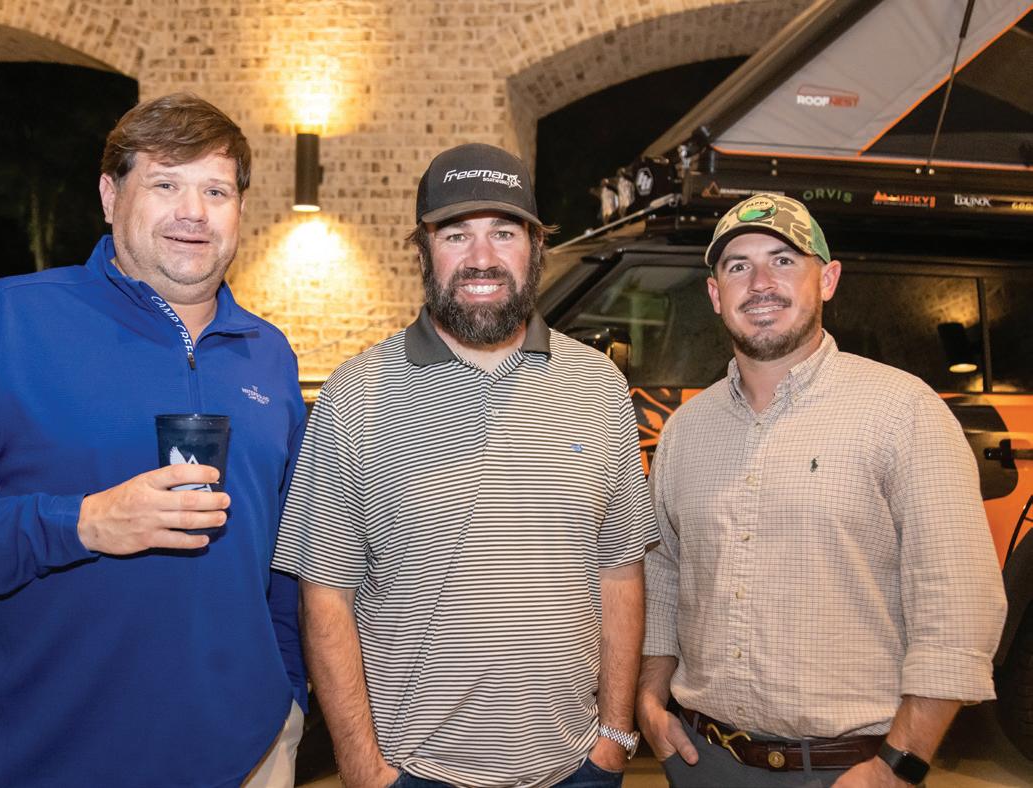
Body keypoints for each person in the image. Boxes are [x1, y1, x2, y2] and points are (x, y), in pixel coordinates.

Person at [0, 93, 308, 787]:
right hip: (57, 758)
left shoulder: (267, 354)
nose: (194, 211)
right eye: (165, 184)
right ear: (109, 195)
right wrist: (83, 523)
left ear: (240, 208)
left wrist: (289, 695)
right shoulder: (6, 322)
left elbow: (286, 549)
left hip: (249, 753)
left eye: (215, 190)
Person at [272, 143, 658, 787]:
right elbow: (325, 596)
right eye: (456, 235)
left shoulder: (598, 386)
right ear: (422, 252)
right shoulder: (355, 394)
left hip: (575, 768)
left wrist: (616, 736)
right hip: (415, 771)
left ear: (536, 246)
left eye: (504, 233)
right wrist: (362, 766)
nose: (482, 258)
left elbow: (619, 569)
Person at [636, 193, 1006, 787]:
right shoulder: (685, 431)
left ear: (828, 279)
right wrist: (650, 700)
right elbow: (663, 574)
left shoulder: (903, 411)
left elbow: (958, 600)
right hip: (703, 761)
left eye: (783, 260)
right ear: (715, 294)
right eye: (738, 266)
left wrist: (899, 765)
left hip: (848, 770)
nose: (760, 283)